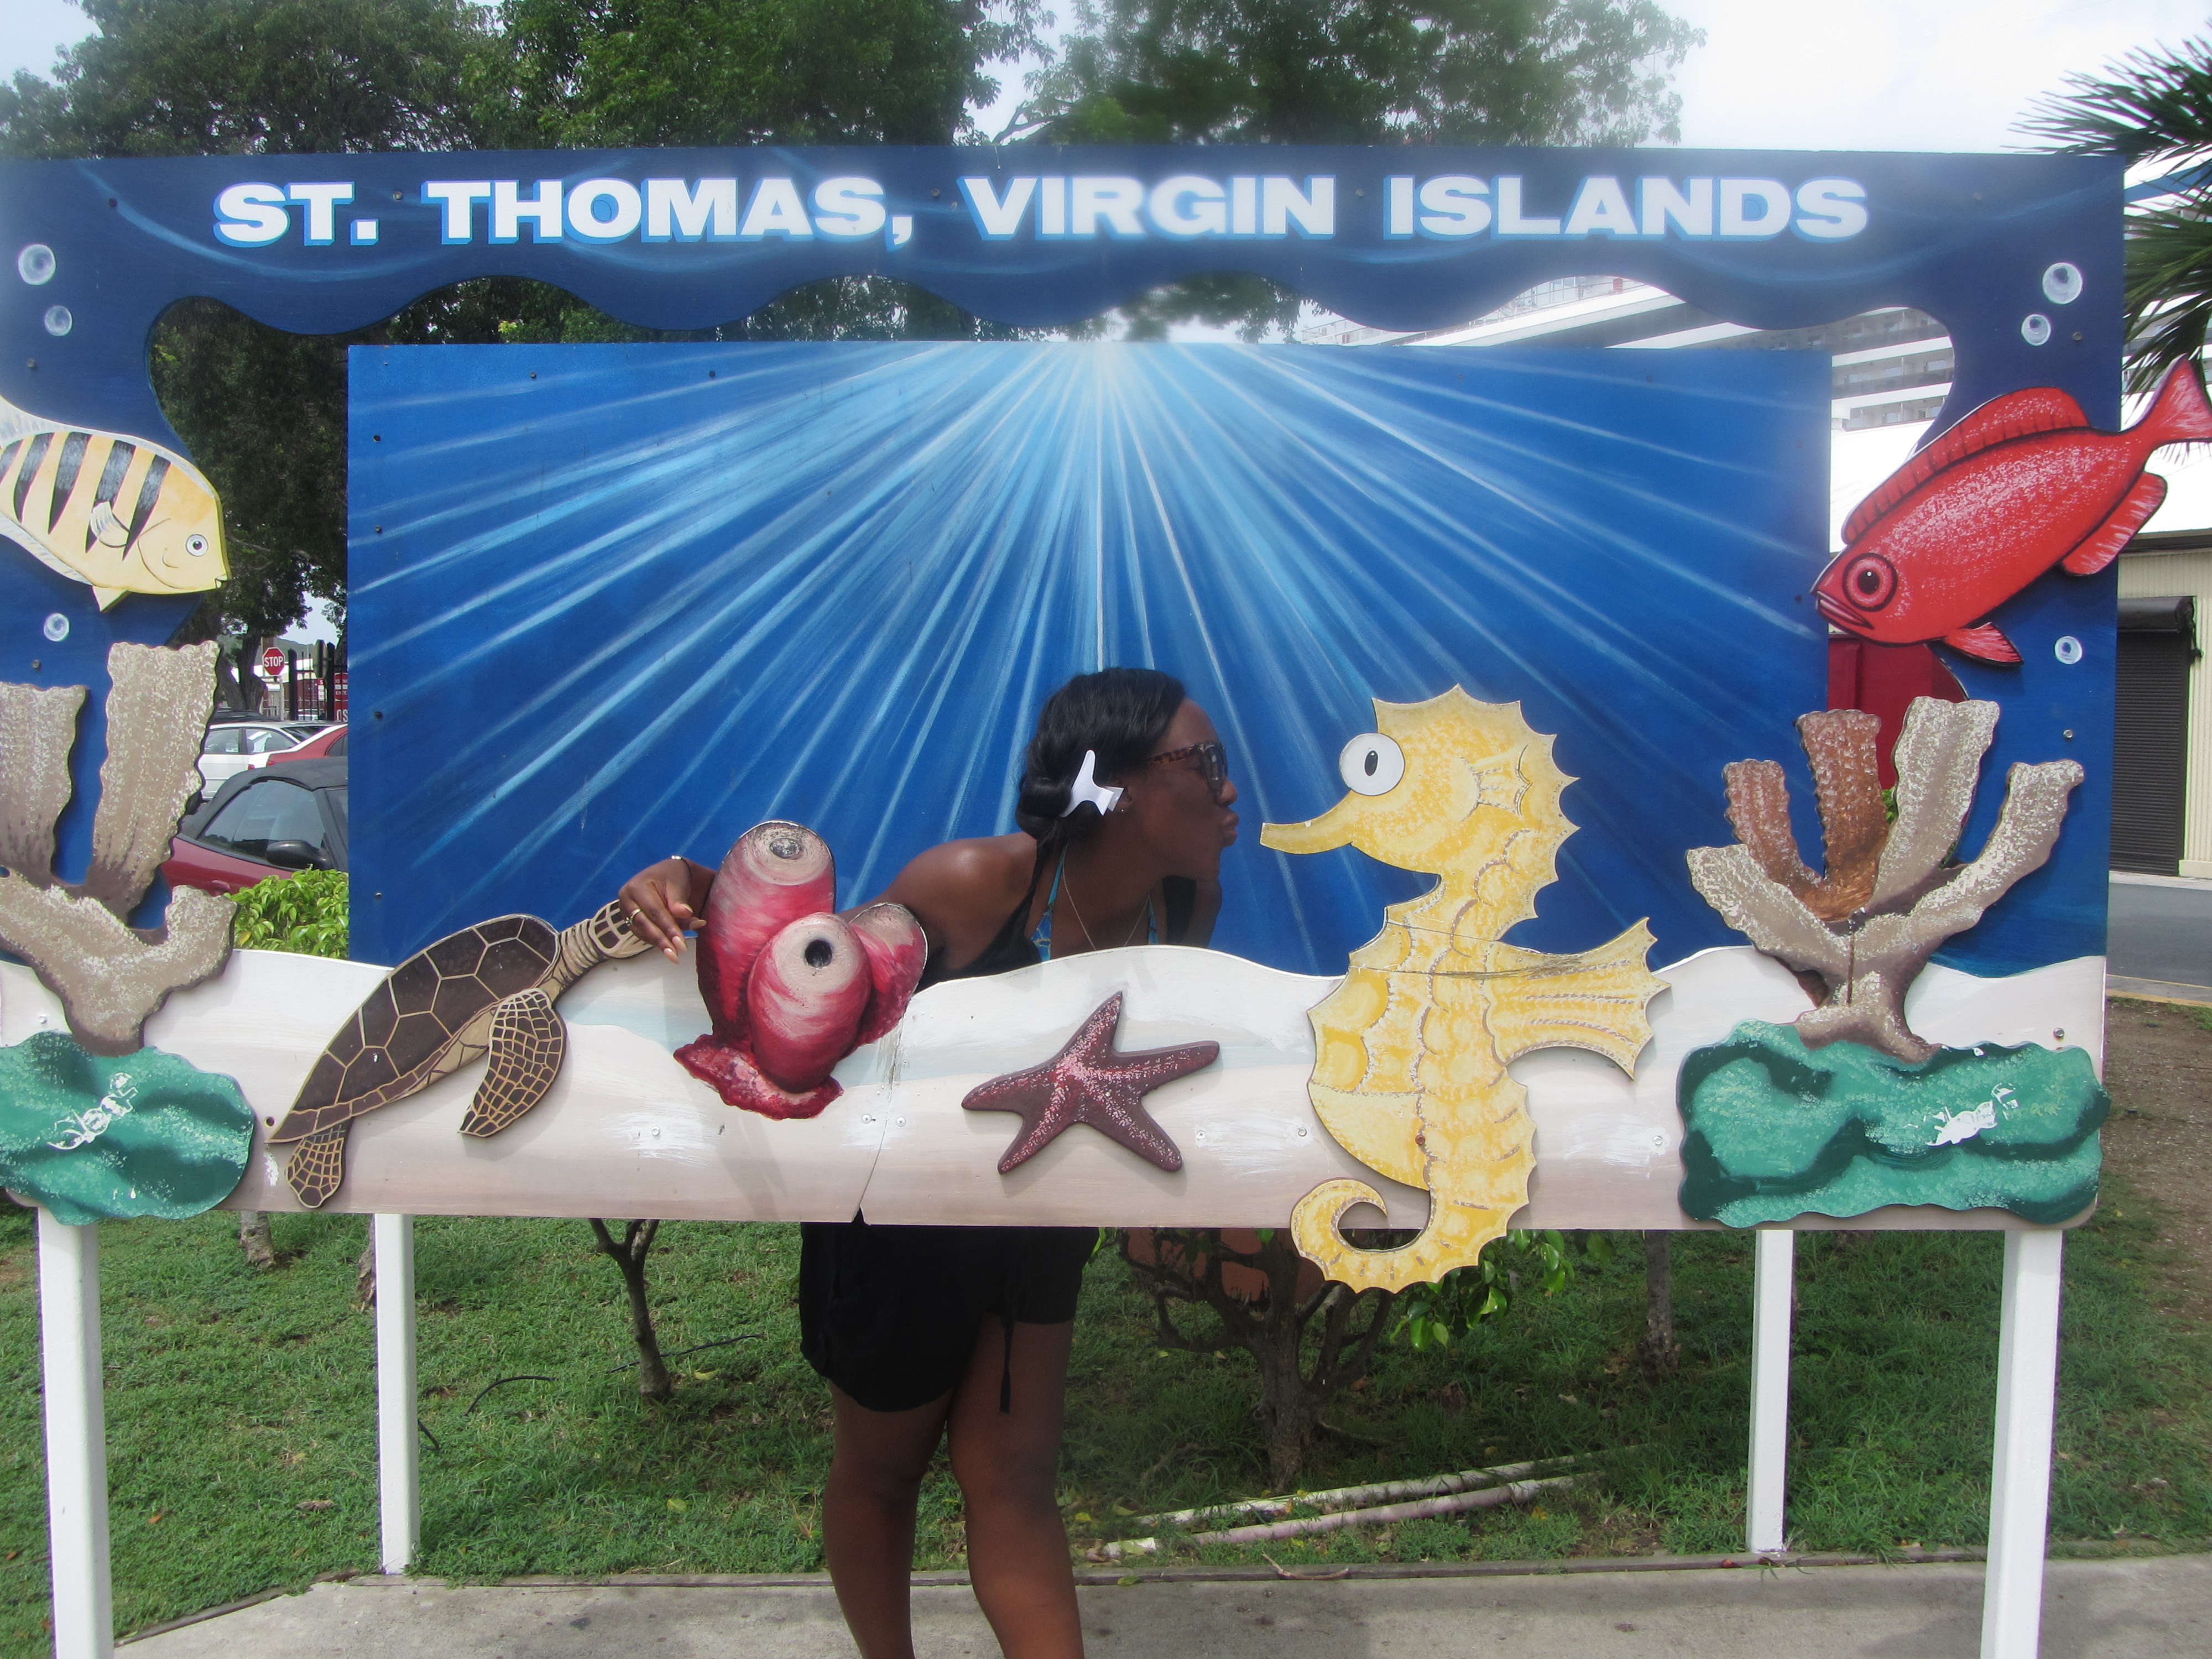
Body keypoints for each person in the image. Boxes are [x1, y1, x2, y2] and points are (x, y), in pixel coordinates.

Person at [618, 667, 1240, 1659]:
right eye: (1203, 761)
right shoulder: (979, 883)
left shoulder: (1182, 909)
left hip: (1039, 1231)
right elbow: (810, 968)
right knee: (882, 1472)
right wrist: (695, 882)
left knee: (1016, 1480)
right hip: (903, 1227)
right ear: (1117, 783)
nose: (1228, 785)